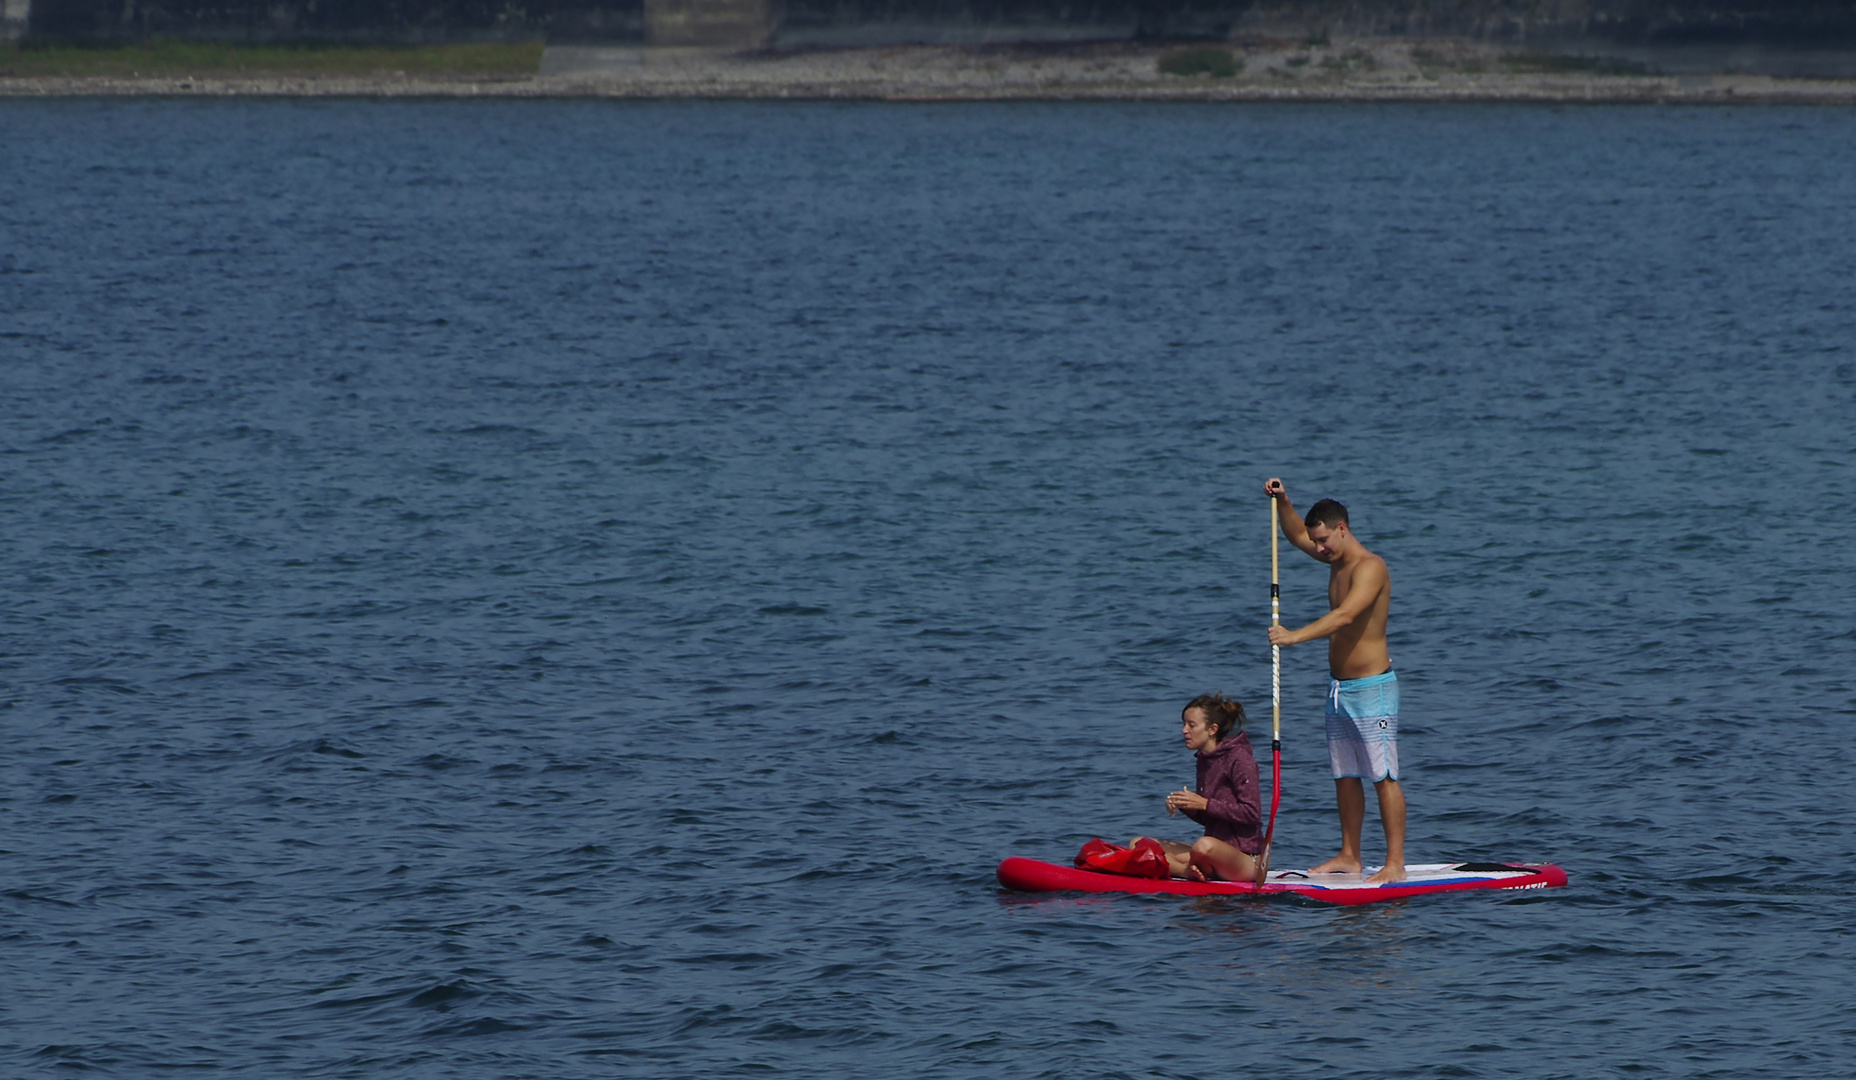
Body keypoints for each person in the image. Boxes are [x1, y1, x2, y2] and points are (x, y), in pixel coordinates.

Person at [1264, 477, 1407, 884]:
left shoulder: (1371, 567)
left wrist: (1294, 636)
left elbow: (1345, 616)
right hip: (1339, 690)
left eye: (1324, 540)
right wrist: (1283, 501)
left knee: (1384, 777)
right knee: (1345, 775)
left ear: (1342, 528)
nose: (1319, 548)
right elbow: (1294, 535)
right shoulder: (1335, 558)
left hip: (1373, 690)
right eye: (1317, 542)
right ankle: (1350, 854)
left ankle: (1394, 862)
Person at [1133, 693, 1262, 881]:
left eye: (1191, 725)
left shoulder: (1240, 759)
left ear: (1212, 729)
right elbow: (1211, 817)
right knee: (1139, 844)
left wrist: (1204, 804)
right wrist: (1186, 805)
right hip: (1213, 852)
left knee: (1203, 846)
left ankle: (1191, 867)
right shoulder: (1204, 759)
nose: (1184, 731)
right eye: (1184, 724)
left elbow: (1252, 813)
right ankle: (1186, 872)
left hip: (1244, 859)